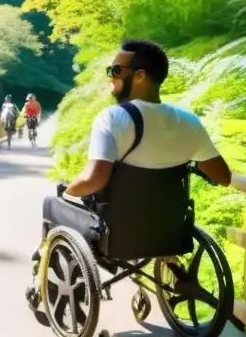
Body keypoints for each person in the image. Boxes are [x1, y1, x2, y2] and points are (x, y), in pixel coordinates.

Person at [25, 39, 231, 310]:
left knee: (54, 204)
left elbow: (95, 180)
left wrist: (68, 192)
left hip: (117, 235)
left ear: (140, 75)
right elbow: (222, 177)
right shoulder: (189, 122)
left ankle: (46, 284)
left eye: (115, 70)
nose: (110, 78)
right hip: (169, 232)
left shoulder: (113, 118)